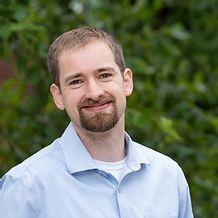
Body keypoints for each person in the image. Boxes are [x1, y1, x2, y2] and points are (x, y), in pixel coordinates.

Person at [0, 27, 193, 218]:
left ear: (127, 81)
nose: (94, 93)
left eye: (104, 75)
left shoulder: (168, 176)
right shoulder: (26, 187)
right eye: (76, 81)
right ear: (58, 96)